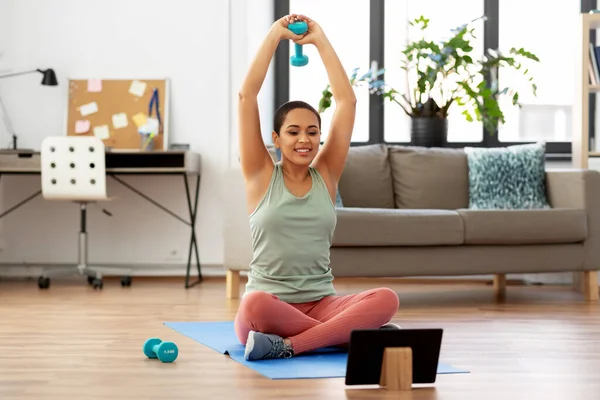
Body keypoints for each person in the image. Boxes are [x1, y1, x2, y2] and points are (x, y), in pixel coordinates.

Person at [235, 14, 400, 361]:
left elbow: (346, 103)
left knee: (386, 299)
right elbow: (247, 96)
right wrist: (273, 37)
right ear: (276, 139)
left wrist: (321, 40)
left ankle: (291, 345)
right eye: (293, 132)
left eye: (312, 131)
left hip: (323, 303)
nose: (304, 139)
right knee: (255, 305)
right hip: (271, 307)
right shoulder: (261, 174)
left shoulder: (326, 174)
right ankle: (347, 335)